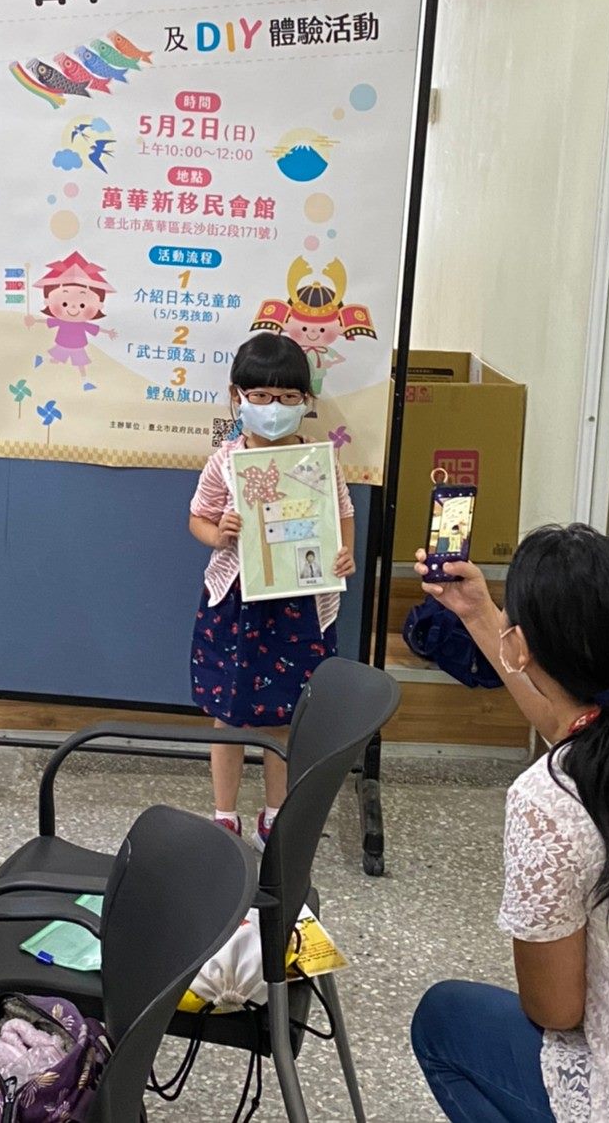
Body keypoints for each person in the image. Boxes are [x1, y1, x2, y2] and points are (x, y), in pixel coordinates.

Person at [411, 524, 609, 1122]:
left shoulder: (548, 797)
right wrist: (482, 614)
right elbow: (582, 724)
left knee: (442, 1021)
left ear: (521, 647)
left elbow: (556, 1010)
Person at [188, 333, 356, 849]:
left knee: (288, 718)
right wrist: (220, 534)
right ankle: (223, 815)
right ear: (237, 397)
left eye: (287, 397)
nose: (273, 408)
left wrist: (343, 553)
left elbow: (342, 515)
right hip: (237, 604)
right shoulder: (225, 460)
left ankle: (274, 815)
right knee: (227, 713)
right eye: (260, 396)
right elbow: (197, 517)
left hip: (302, 605)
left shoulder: (318, 462)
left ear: (306, 402)